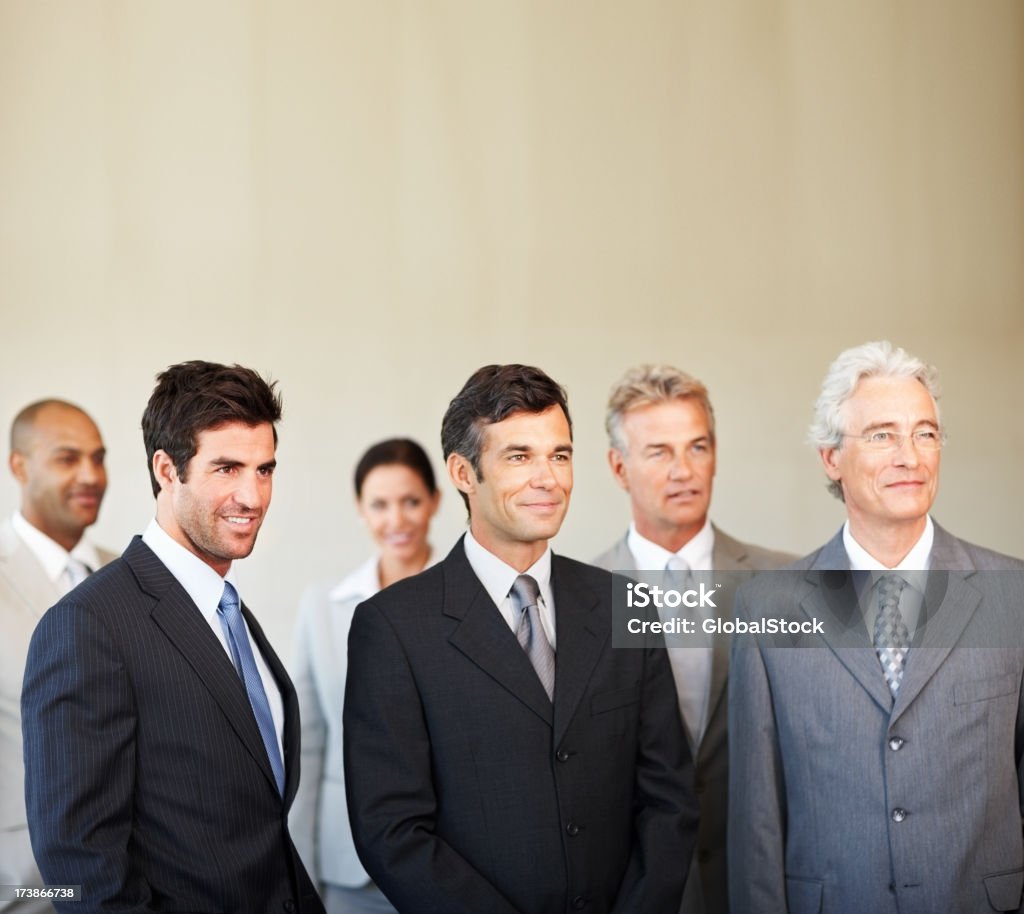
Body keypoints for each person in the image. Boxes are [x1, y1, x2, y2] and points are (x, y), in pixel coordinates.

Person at [343, 363, 698, 914]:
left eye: (559, 455)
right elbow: (392, 830)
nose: (548, 479)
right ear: (463, 472)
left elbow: (669, 801)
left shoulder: (625, 604)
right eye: (518, 457)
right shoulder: (392, 628)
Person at [728, 340, 1024, 913]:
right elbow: (756, 823)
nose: (909, 456)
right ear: (831, 458)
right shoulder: (767, 607)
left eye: (925, 433)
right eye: (882, 434)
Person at [21, 361, 323, 914]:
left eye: (264, 469)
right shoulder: (88, 626)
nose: (252, 496)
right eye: (227, 468)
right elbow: (82, 864)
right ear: (166, 469)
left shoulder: (229, 612)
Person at [593, 364, 792, 914]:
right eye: (658, 451)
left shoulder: (786, 584)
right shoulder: (582, 598)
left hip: (761, 883)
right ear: (618, 467)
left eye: (697, 447)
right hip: (636, 889)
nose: (684, 470)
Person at [291, 438, 440, 914]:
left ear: (435, 501)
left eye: (411, 501)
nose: (396, 521)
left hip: (452, 857)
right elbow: (308, 744)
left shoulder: (473, 602)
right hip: (347, 865)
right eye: (379, 505)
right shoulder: (322, 606)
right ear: (360, 509)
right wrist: (300, 868)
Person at [1, 400, 114, 914]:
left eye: (99, 457)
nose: (91, 475)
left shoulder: (130, 572)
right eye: (68, 459)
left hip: (131, 880)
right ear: (18, 466)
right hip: (21, 882)